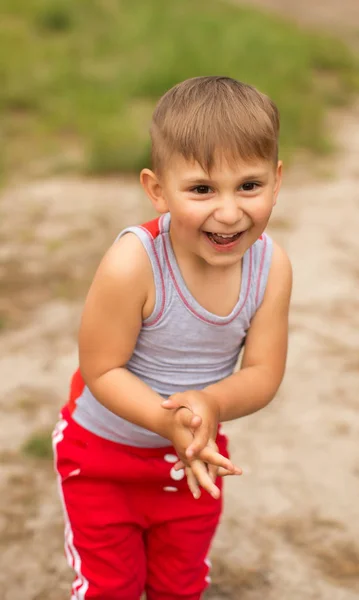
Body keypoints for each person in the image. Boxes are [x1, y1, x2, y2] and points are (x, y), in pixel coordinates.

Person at [52, 75, 292, 600]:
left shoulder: (270, 267)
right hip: (102, 460)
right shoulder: (133, 263)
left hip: (194, 459)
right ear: (157, 190)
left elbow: (263, 372)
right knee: (110, 588)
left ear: (276, 181)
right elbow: (101, 369)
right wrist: (168, 420)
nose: (228, 212)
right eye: (202, 189)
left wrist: (210, 401)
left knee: (180, 586)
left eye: (249, 186)